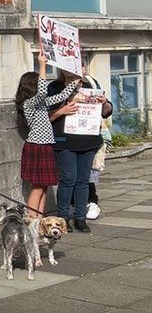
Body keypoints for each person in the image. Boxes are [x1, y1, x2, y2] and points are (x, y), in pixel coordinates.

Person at [13, 51, 80, 219]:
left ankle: (39, 220)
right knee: (37, 187)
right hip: (37, 146)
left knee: (44, 187)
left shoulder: (40, 104)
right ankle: (31, 220)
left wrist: (76, 82)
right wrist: (43, 65)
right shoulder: (30, 103)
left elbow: (61, 96)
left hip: (44, 146)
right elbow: (42, 93)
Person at [48, 68, 113, 233]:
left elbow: (106, 112)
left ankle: (80, 218)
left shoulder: (91, 84)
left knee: (83, 181)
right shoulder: (55, 86)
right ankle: (63, 217)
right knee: (67, 179)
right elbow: (47, 112)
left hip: (88, 139)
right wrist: (63, 109)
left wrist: (104, 103)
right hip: (65, 141)